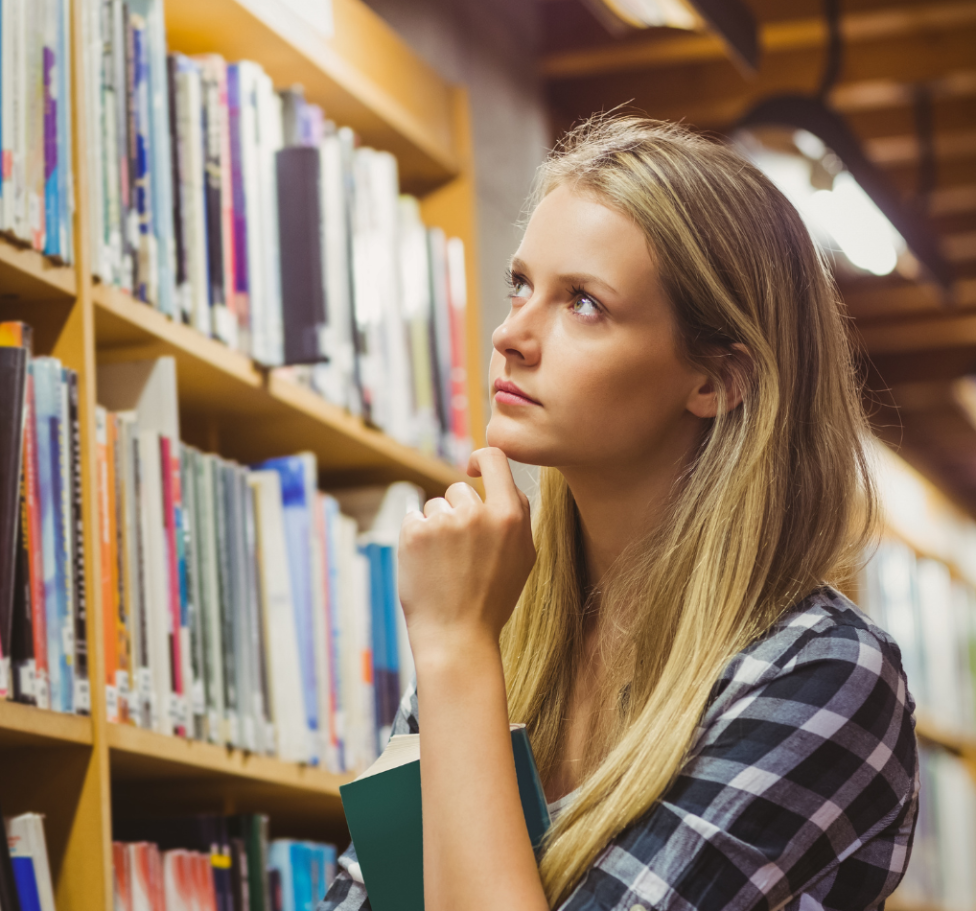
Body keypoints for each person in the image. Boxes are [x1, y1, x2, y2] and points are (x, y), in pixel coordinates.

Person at [320, 117, 917, 911]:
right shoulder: (503, 633)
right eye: (520, 285)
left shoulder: (822, 673)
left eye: (583, 303)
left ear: (715, 380)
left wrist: (455, 646)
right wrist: (464, 646)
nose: (510, 334)